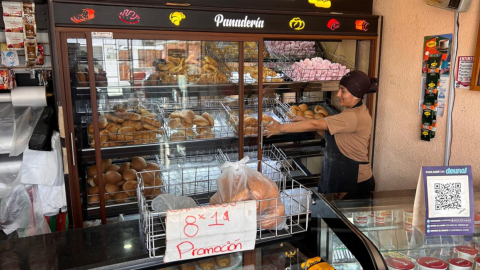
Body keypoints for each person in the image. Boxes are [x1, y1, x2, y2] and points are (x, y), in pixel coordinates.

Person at [265, 71, 378, 194]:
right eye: (339, 89)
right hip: (341, 176)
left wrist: (281, 128)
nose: (338, 94)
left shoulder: (353, 116)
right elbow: (332, 137)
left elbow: (315, 124)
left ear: (356, 95)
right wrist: (310, 121)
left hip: (354, 182)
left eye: (343, 90)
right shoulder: (352, 112)